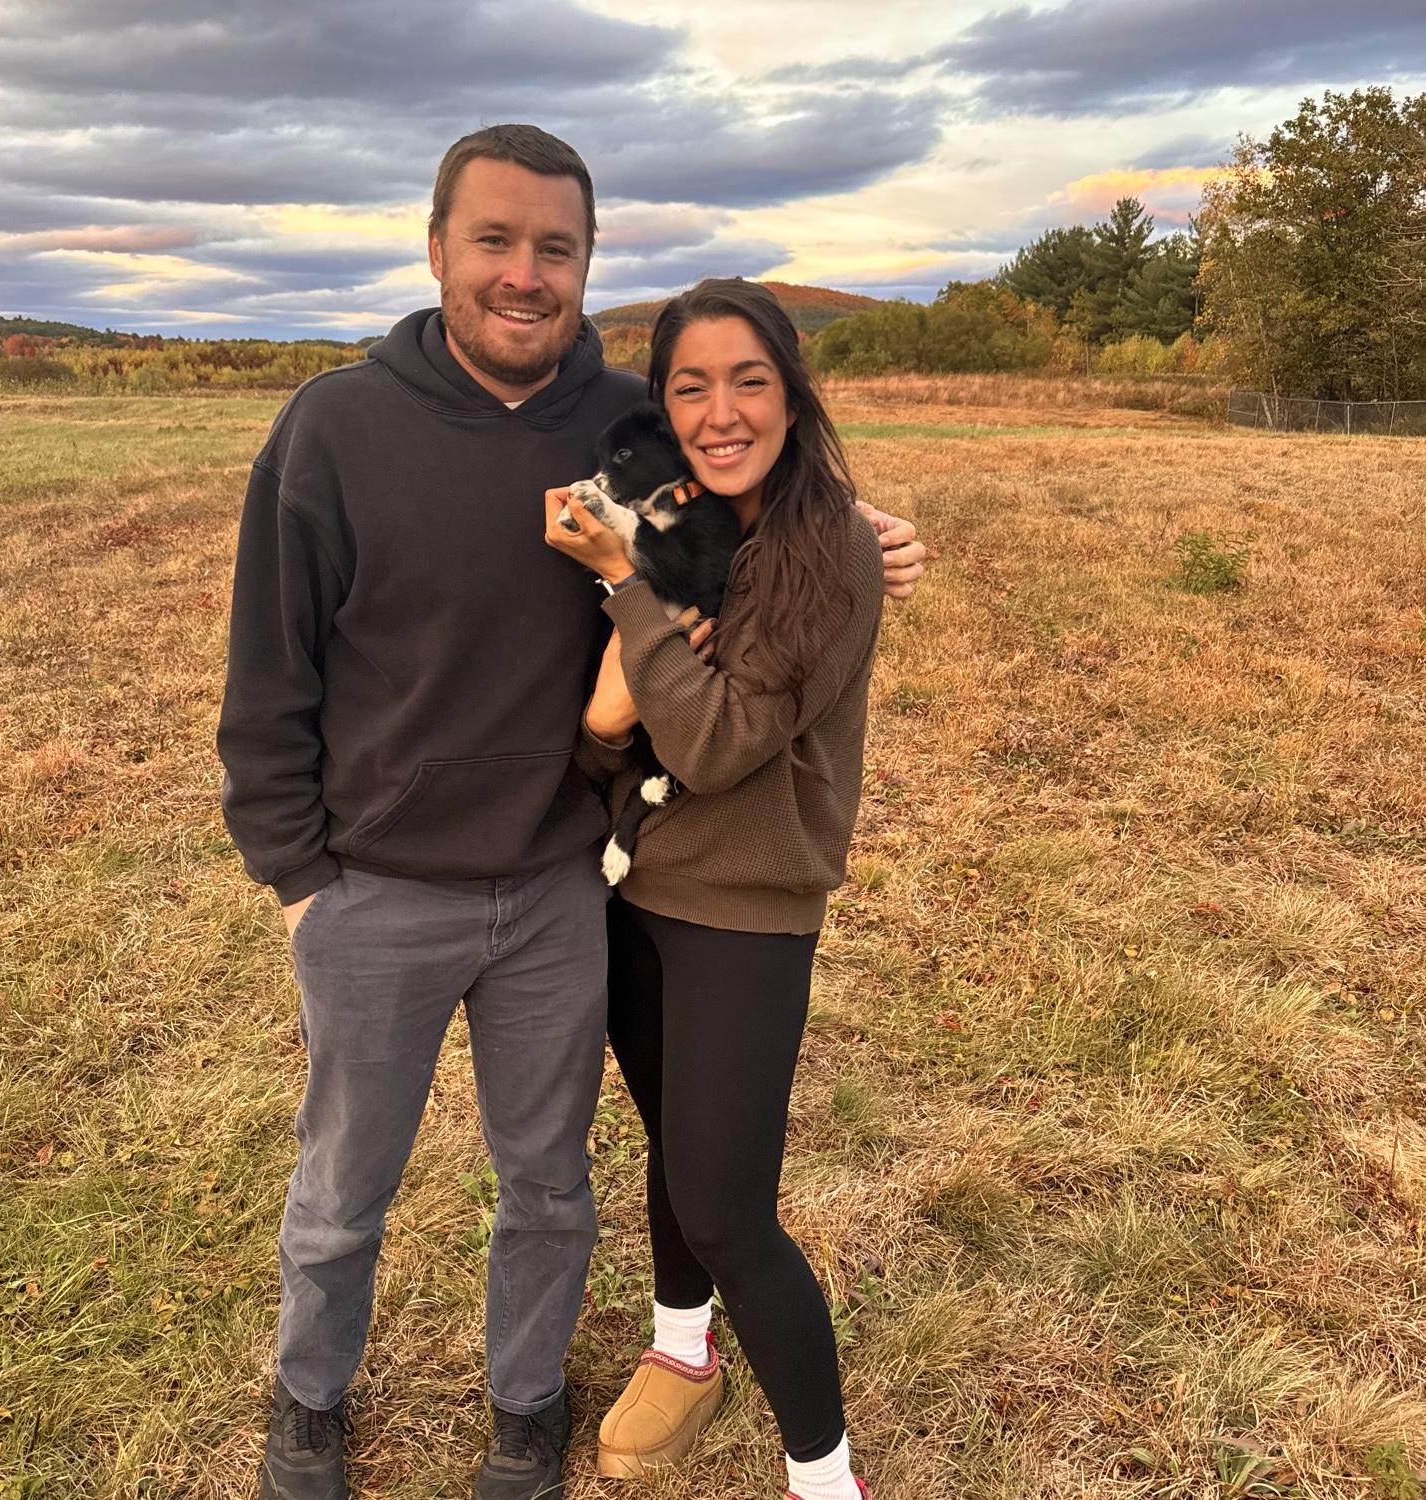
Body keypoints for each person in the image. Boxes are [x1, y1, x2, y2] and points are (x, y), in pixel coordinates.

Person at [217, 124, 925, 1500]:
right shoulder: (336, 427)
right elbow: (269, 667)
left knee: (549, 1186)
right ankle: (309, 1402)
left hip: (559, 882)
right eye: (495, 240)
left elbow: (751, 491)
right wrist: (298, 879)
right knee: (342, 1190)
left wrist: (864, 529)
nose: (524, 273)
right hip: (375, 886)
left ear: (589, 265)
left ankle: (528, 1409)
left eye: (557, 247)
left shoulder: (628, 425)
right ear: (438, 248)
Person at [543, 278, 882, 1499]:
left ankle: (825, 1478)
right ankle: (683, 1354)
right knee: (676, 1150)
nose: (720, 411)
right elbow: (609, 746)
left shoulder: (832, 549)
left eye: (749, 380)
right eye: (691, 386)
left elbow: (715, 745)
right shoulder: (673, 526)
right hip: (634, 893)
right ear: (662, 405)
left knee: (730, 1211)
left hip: (744, 908)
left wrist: (626, 595)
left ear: (792, 392)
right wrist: (603, 715)